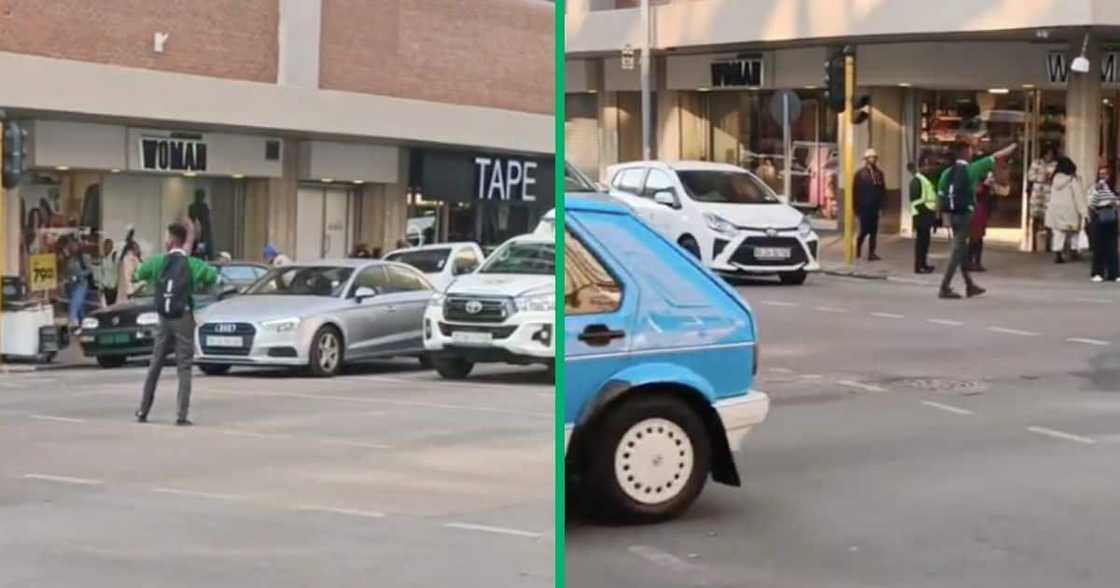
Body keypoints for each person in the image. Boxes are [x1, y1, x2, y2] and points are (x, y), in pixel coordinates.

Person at [133, 222, 218, 426]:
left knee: (155, 363)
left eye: (166, 237)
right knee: (184, 366)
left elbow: (138, 274)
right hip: (184, 316)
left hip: (164, 317)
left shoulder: (158, 262)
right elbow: (213, 276)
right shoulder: (192, 264)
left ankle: (143, 409)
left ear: (171, 240)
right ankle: (181, 414)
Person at [937, 140, 1018, 299]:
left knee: (960, 250)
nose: (972, 153)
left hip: (953, 215)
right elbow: (995, 156)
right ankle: (944, 287)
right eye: (970, 151)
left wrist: (944, 218)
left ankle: (969, 285)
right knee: (957, 251)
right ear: (965, 153)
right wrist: (1012, 147)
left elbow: (940, 196)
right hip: (965, 214)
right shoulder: (972, 169)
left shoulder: (946, 173)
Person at [1046, 156, 1089, 264]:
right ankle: (1073, 251)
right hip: (1070, 211)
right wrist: (1084, 213)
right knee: (1075, 231)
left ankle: (1058, 253)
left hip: (1055, 211)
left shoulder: (1054, 179)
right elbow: (1079, 198)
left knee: (1058, 232)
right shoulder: (1072, 181)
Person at [1088, 166, 1120, 282]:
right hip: (1099, 217)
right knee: (1099, 246)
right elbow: (1091, 202)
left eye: (1105, 174)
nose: (1103, 176)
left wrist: (1115, 202)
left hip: (1111, 217)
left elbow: (1117, 200)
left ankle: (1114, 273)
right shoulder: (1094, 188)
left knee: (1112, 247)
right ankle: (1098, 273)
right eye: (1101, 174)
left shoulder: (1112, 188)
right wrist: (1097, 190)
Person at [854, 148, 886, 261]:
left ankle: (871, 253)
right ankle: (857, 248)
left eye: (874, 157)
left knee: (874, 231)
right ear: (866, 159)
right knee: (864, 230)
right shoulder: (860, 174)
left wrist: (881, 207)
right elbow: (855, 192)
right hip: (864, 208)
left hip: (875, 207)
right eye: (870, 158)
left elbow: (882, 191)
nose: (873, 159)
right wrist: (856, 209)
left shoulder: (879, 173)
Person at [908, 160, 938, 273]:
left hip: (926, 216)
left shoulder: (924, 180)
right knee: (921, 243)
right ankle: (919, 266)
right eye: (926, 165)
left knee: (925, 242)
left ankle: (923, 264)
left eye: (929, 165)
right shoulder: (917, 181)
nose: (928, 167)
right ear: (920, 167)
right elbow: (915, 201)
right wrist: (928, 210)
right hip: (921, 216)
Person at [1028, 147, 1058, 249]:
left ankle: (1048, 245)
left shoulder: (1055, 165)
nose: (1049, 156)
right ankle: (1034, 245)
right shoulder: (1036, 163)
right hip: (1037, 194)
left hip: (1049, 194)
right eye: (1047, 154)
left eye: (1051, 154)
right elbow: (1030, 176)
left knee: (1049, 219)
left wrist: (1050, 178)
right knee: (1035, 218)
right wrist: (1041, 177)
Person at [61, 236, 93, 329]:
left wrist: (79, 275)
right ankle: (83, 326)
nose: (72, 247)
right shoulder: (68, 258)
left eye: (74, 245)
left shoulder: (84, 257)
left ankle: (71, 321)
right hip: (70, 285)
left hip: (81, 283)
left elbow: (89, 270)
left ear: (78, 246)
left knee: (74, 303)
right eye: (70, 245)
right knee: (81, 307)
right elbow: (65, 271)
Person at [967, 172, 996, 272]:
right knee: (975, 239)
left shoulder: (987, 188)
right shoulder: (979, 186)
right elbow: (978, 193)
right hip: (977, 215)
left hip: (981, 215)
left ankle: (975, 262)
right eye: (990, 178)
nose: (992, 180)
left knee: (978, 240)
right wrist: (986, 185)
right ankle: (970, 262)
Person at [95, 238, 119, 306]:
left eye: (108, 246)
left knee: (113, 306)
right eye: (105, 246)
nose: (106, 248)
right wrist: (100, 287)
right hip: (106, 288)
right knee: (108, 306)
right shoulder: (103, 259)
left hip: (113, 287)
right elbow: (101, 274)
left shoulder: (114, 256)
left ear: (111, 247)